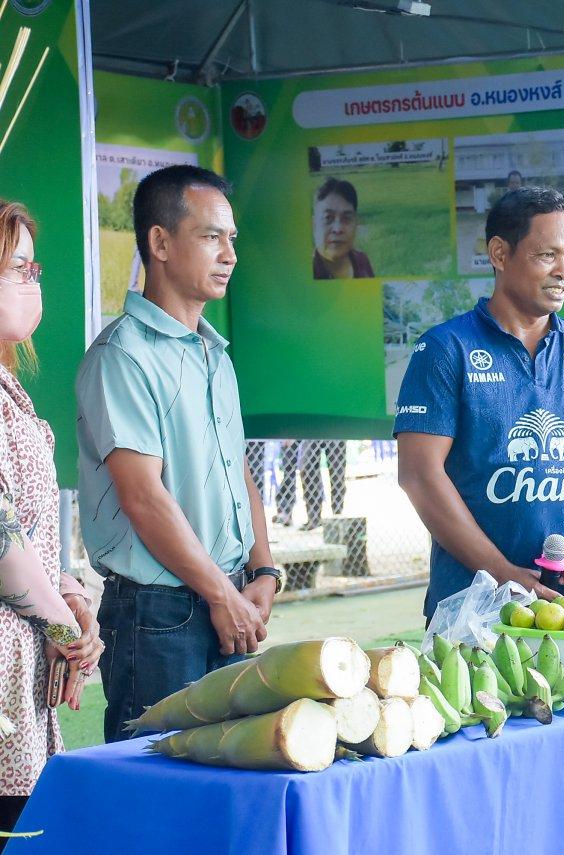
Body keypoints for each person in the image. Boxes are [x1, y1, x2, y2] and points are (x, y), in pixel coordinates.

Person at [77, 165, 281, 744]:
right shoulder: (122, 356)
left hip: (229, 600)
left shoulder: (215, 354)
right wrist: (221, 594)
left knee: (227, 773)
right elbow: (143, 496)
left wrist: (263, 571)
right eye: (211, 236)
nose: (230, 254)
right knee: (156, 781)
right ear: (160, 243)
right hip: (159, 615)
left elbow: (238, 470)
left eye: (231, 238)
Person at [395, 186, 564, 618]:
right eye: (548, 255)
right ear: (499, 253)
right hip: (469, 611)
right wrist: (502, 572)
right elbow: (419, 474)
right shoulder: (445, 348)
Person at [0, 202, 103, 842]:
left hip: (24, 680)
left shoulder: (12, 391)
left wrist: (72, 599)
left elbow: (35, 538)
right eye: (18, 268)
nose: (33, 282)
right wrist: (66, 626)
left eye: (33, 269)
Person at [312, 177, 374, 279]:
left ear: (356, 223)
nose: (337, 229)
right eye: (328, 218)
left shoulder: (362, 261)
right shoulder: (305, 271)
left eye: (347, 218)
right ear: (314, 224)